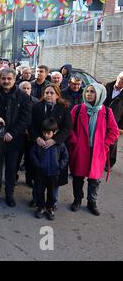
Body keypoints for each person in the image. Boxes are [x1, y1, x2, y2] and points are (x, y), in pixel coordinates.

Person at [68, 83, 119, 216]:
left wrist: (105, 145)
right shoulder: (78, 109)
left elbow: (114, 132)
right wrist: (75, 142)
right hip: (80, 150)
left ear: (100, 94)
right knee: (78, 177)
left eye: (92, 92)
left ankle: (92, 202)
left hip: (97, 151)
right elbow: (68, 128)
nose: (88, 94)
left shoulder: (107, 112)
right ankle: (77, 199)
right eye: (87, 91)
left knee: (95, 179)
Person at [0, 69, 31, 207]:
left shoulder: (23, 96)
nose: (6, 81)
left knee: (11, 169)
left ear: (14, 79)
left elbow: (26, 118)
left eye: (9, 79)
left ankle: (9, 194)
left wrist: (13, 133)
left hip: (14, 139)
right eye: (3, 78)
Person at [29, 84, 72, 210]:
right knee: (38, 178)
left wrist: (55, 140)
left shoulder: (63, 108)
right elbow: (30, 125)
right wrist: (37, 137)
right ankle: (36, 199)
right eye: (46, 92)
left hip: (55, 148)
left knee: (54, 180)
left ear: (58, 95)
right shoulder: (36, 107)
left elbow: (67, 127)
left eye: (52, 93)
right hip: (39, 145)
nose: (48, 95)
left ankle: (52, 203)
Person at [29, 118, 69, 220]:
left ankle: (50, 208)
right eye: (44, 133)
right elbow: (32, 154)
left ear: (55, 132)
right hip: (40, 173)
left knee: (51, 192)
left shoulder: (59, 144)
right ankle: (41, 207)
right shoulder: (39, 143)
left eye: (48, 133)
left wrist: (59, 166)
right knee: (40, 191)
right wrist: (38, 165)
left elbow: (65, 156)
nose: (46, 135)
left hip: (53, 173)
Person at [104, 72, 123, 170]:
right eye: (121, 79)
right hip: (102, 119)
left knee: (112, 143)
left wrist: (121, 127)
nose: (122, 82)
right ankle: (99, 159)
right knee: (100, 140)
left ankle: (109, 163)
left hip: (116, 121)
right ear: (117, 77)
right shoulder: (107, 86)